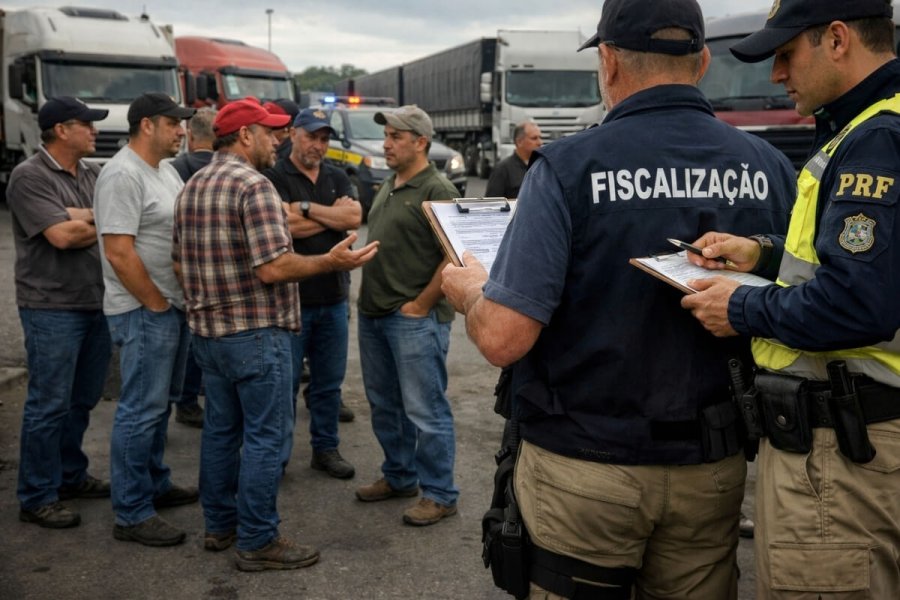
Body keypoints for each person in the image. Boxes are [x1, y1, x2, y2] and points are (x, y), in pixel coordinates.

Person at [440, 0, 796, 596]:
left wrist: (470, 289)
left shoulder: (568, 166)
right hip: (711, 465)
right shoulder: (771, 166)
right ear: (703, 62)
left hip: (585, 467)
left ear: (607, 61)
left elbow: (504, 337)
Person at [680, 0, 900, 596]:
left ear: (837, 40)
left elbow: (856, 303)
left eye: (786, 55)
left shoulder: (875, 140)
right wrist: (763, 255)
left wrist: (739, 308)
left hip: (843, 459)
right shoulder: (868, 126)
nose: (777, 74)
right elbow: (868, 267)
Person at [173, 99, 378, 571]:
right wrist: (331, 261)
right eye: (269, 133)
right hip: (255, 334)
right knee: (266, 437)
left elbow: (180, 263)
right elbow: (273, 267)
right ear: (245, 135)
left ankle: (220, 526)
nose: (277, 141)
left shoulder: (192, 185)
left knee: (221, 432)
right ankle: (258, 539)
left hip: (210, 335)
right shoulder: (255, 185)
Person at [93, 92, 199, 547]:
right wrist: (155, 304)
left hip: (169, 307)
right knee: (140, 410)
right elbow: (118, 251)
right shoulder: (122, 174)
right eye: (174, 123)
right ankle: (132, 511)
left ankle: (154, 482)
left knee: (159, 406)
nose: (182, 132)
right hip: (143, 310)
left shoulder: (165, 170)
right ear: (148, 125)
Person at [8, 97, 112, 529]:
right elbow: (63, 237)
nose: (95, 131)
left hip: (94, 301)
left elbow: (103, 221)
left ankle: (69, 475)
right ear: (62, 130)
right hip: (51, 306)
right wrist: (101, 219)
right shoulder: (28, 176)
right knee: (48, 404)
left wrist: (84, 216)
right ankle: (36, 495)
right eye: (86, 124)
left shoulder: (92, 173)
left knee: (81, 400)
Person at [355, 105, 461, 527]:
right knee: (385, 404)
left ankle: (440, 494)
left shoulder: (437, 188)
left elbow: (455, 255)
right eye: (386, 136)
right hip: (375, 313)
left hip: (413, 319)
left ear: (420, 142)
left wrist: (421, 304)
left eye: (396, 136)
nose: (386, 144)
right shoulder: (391, 183)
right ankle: (399, 475)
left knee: (425, 409)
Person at [263, 108, 361, 479]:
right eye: (310, 137)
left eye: (323, 139)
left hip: (334, 299)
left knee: (328, 385)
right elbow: (280, 226)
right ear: (293, 134)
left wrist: (303, 209)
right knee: (283, 387)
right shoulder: (274, 177)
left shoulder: (337, 176)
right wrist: (329, 216)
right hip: (290, 302)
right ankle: (278, 458)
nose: (317, 145)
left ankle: (326, 449)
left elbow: (353, 218)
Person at [169, 106, 217, 428]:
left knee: (185, 344)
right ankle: (197, 399)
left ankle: (184, 401)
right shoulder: (231, 171)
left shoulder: (173, 169)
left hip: (180, 269)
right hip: (218, 273)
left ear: (190, 135)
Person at [484, 121, 542, 199]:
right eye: (534, 138)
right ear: (519, 142)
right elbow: (493, 203)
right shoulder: (502, 170)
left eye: (540, 138)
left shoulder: (543, 168)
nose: (540, 142)